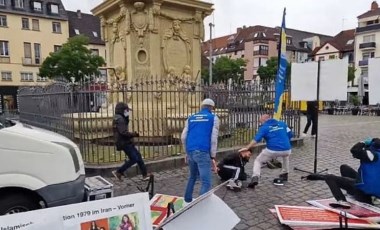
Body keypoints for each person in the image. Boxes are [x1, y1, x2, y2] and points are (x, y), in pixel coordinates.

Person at [306, 138, 380, 209]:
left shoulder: (372, 155)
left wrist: (363, 142)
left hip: (363, 192)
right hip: (373, 191)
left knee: (329, 177)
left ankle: (342, 201)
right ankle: (351, 193)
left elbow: (354, 150)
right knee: (344, 167)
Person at [181, 98, 220, 203]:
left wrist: (186, 152)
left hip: (190, 151)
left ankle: (187, 199)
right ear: (211, 108)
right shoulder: (213, 118)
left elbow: (183, 137)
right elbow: (213, 138)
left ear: (202, 106)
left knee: (192, 177)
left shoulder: (190, 118)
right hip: (203, 151)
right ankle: (200, 205)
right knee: (206, 182)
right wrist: (212, 155)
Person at [245, 114, 293, 188]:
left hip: (272, 150)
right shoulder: (282, 123)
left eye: (260, 122)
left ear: (264, 120)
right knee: (285, 156)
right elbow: (290, 134)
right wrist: (285, 143)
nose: (260, 123)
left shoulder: (264, 127)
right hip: (287, 149)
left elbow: (256, 140)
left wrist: (247, 147)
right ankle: (285, 174)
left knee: (258, 161)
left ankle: (255, 177)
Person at [112, 102, 149, 181]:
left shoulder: (118, 117)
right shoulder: (120, 119)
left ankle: (145, 175)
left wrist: (127, 118)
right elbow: (123, 132)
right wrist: (133, 134)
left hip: (125, 142)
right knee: (134, 158)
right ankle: (118, 172)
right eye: (126, 111)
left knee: (138, 156)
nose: (128, 112)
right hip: (124, 142)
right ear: (122, 110)